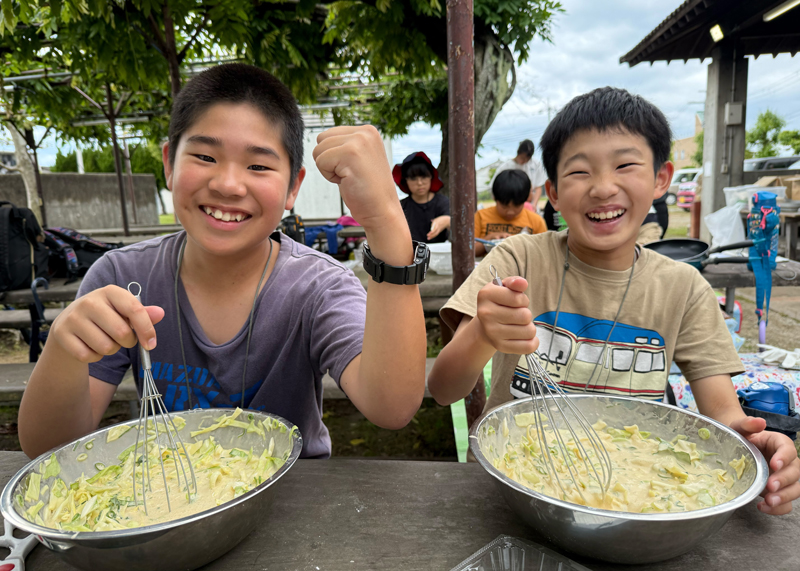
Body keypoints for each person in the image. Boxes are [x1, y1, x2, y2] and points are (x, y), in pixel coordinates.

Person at [18, 64, 427, 460]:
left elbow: (391, 406)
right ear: (169, 164)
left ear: (292, 187)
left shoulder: (320, 287)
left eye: (258, 166)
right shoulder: (122, 278)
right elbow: (49, 448)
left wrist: (387, 222)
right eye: (205, 157)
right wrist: (62, 349)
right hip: (167, 506)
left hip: (295, 504)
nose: (229, 184)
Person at [428, 87, 800, 515]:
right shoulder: (519, 260)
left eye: (625, 165)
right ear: (552, 191)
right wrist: (482, 332)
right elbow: (443, 389)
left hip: (641, 502)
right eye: (580, 172)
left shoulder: (683, 289)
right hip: (516, 493)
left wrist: (756, 448)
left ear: (661, 178)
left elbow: (723, 415)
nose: (603, 188)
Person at [474, 169, 547, 257]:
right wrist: (489, 238)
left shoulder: (536, 221)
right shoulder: (480, 216)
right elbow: (469, 252)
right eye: (504, 206)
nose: (510, 212)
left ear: (526, 199)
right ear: (494, 198)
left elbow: (544, 254)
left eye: (517, 206)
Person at [394, 152, 450, 243]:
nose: (420, 183)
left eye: (424, 177)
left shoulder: (443, 202)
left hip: (439, 253)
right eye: (413, 178)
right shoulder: (401, 206)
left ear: (431, 177)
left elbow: (460, 226)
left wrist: (447, 220)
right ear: (406, 181)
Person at [490, 139, 547, 212]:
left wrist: (534, 205)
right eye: (522, 158)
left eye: (527, 160)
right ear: (518, 153)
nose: (523, 161)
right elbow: (494, 189)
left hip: (530, 208)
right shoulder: (505, 167)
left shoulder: (535, 165)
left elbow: (538, 187)